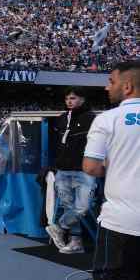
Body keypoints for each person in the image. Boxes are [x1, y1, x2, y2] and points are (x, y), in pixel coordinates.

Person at [83, 61, 140, 280]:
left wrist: (115, 163)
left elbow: (91, 167)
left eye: (111, 82)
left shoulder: (107, 119)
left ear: (127, 87)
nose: (107, 87)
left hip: (120, 223)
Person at [45, 87, 97, 254]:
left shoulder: (91, 119)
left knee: (82, 208)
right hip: (63, 170)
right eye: (67, 98)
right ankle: (76, 242)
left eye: (73, 98)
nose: (69, 101)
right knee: (69, 208)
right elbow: (56, 143)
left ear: (82, 100)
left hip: (83, 170)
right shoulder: (61, 118)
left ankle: (58, 227)